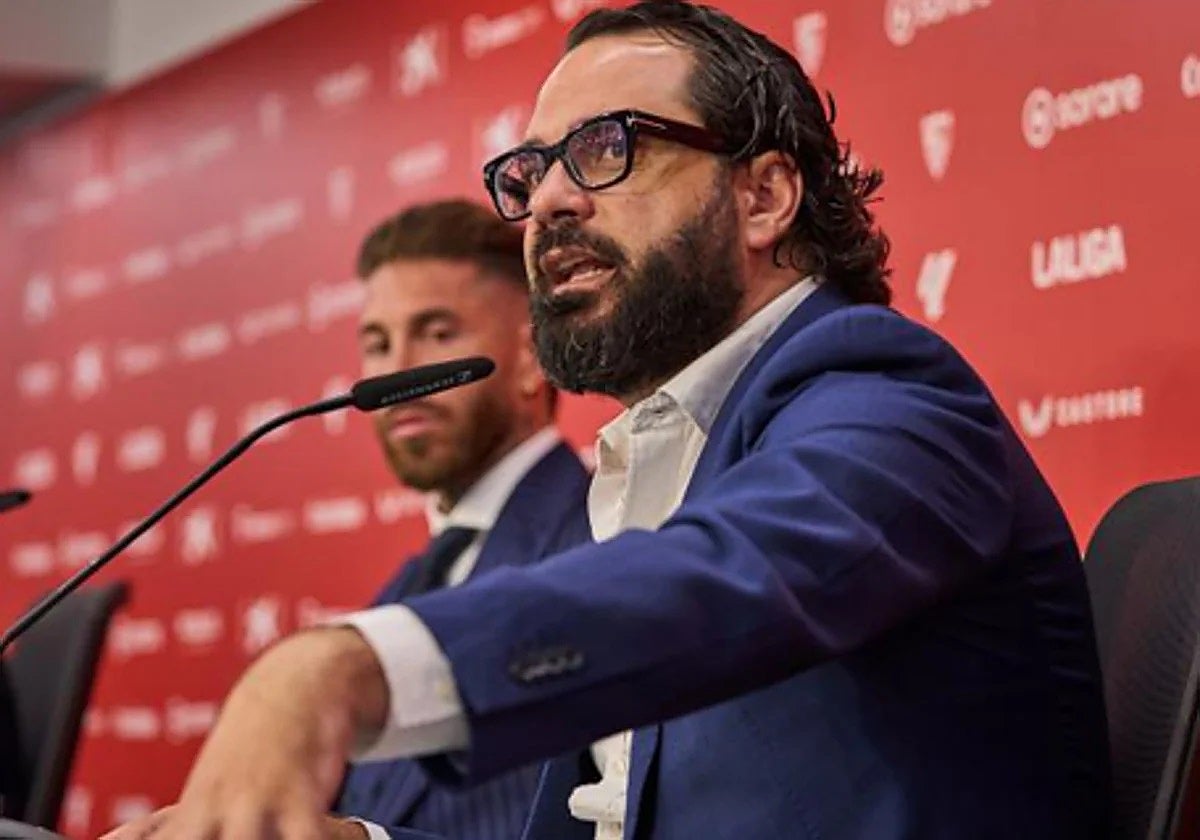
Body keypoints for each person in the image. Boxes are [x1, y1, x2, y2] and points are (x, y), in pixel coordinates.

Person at [105, 3, 1113, 839]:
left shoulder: (891, 400)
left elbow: (734, 574)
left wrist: (352, 665)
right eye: (533, 170)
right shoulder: (662, 454)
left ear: (763, 196)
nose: (544, 202)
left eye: (604, 149)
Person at [328, 199, 593, 840]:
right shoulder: (406, 589)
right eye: (378, 343)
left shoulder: (597, 547)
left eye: (438, 333)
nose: (397, 374)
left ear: (532, 357)